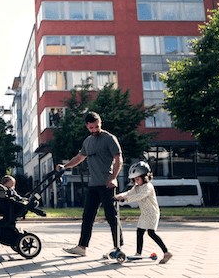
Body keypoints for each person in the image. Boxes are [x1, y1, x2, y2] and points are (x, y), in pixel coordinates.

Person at [57, 111, 123, 256]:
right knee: (87, 216)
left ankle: (118, 247)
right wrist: (65, 166)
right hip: (93, 185)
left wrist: (113, 177)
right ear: (87, 126)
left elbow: (119, 159)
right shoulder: (87, 141)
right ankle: (82, 247)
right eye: (91, 128)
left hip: (107, 185)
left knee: (111, 217)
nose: (94, 130)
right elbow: (80, 157)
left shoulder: (109, 139)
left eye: (96, 127)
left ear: (100, 124)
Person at [115, 161, 172, 264]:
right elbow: (129, 193)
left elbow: (139, 196)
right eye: (134, 180)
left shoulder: (148, 187)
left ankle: (167, 252)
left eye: (138, 179)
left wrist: (125, 198)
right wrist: (118, 196)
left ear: (145, 177)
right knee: (140, 232)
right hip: (144, 214)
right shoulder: (136, 187)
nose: (136, 182)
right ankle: (138, 254)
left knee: (151, 233)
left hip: (152, 213)